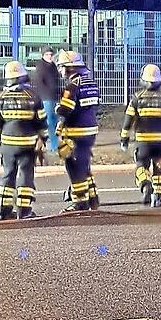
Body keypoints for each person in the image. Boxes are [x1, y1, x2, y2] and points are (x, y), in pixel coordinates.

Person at [121, 64, 161, 208]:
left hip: (143, 142)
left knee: (141, 166)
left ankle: (145, 185)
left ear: (143, 80)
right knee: (159, 168)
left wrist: (124, 138)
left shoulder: (137, 98)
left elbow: (128, 120)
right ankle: (158, 196)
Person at [0, 61, 48, 219]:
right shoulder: (33, 97)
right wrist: (43, 138)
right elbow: (41, 121)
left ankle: (4, 211)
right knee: (25, 175)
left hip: (7, 144)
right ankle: (24, 211)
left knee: (8, 174)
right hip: (27, 145)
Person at [55, 50, 101, 212]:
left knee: (73, 165)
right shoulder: (91, 83)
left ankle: (80, 201)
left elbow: (66, 109)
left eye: (62, 67)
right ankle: (93, 197)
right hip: (90, 130)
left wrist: (58, 109)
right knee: (83, 164)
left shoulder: (72, 86)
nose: (60, 71)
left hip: (76, 132)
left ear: (69, 68)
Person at [31, 47, 60, 153]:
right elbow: (38, 83)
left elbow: (56, 81)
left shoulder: (53, 66)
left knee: (55, 121)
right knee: (50, 122)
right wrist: (44, 94)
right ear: (43, 55)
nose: (50, 56)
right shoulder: (41, 66)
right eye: (47, 54)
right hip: (46, 98)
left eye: (51, 54)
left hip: (54, 97)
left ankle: (53, 143)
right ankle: (53, 145)